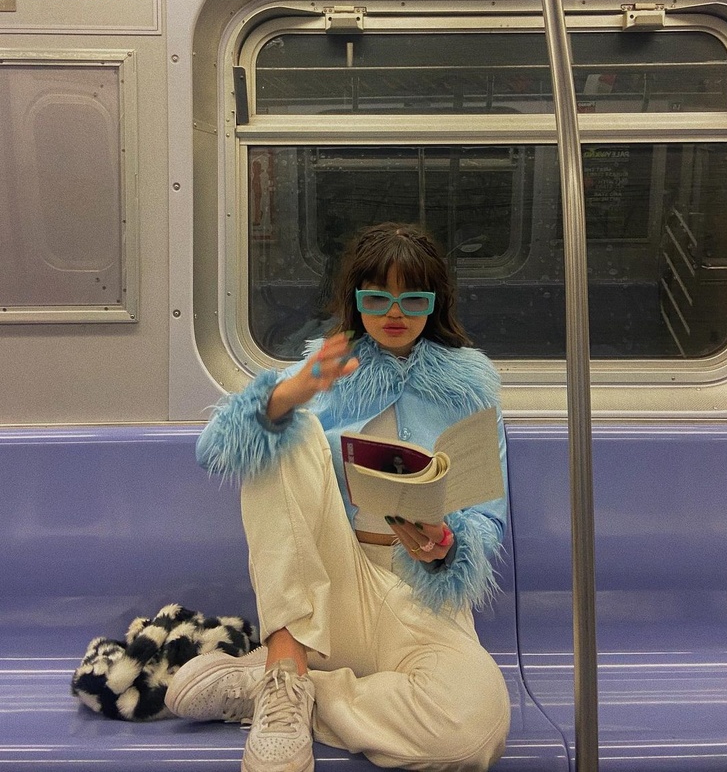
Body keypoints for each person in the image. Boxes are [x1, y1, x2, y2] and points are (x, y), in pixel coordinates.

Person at [165, 222, 511, 772]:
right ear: (355, 299)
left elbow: (488, 517)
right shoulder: (325, 368)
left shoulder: (471, 390)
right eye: (376, 298)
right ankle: (285, 668)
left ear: (435, 303)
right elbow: (214, 451)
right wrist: (288, 395)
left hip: (422, 599)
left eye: (413, 299)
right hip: (330, 584)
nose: (394, 314)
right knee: (287, 428)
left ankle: (278, 690)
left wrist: (448, 546)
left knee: (475, 728)